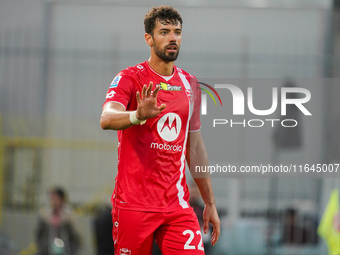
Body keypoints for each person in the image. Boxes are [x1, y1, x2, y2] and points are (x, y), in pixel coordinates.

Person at [100, 5, 220, 254]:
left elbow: (194, 146)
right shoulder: (130, 78)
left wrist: (209, 202)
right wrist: (137, 115)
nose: (172, 37)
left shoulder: (190, 84)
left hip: (176, 207)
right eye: (164, 31)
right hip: (133, 205)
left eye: (177, 31)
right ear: (149, 39)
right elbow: (107, 118)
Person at [35, 187, 81, 255]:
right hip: (46, 251)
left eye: (56, 199)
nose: (54, 202)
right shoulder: (45, 215)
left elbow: (76, 237)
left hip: (65, 251)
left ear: (62, 200)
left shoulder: (69, 217)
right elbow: (39, 234)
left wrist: (71, 251)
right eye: (52, 199)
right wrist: (42, 248)